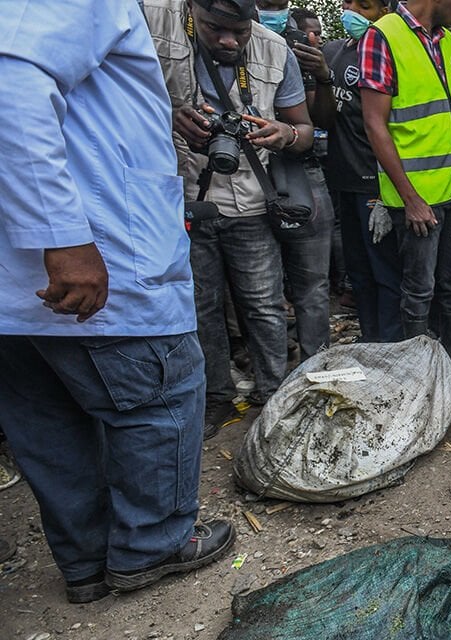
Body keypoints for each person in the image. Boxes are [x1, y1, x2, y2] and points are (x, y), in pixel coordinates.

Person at [0, 0, 235, 603]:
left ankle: (84, 562)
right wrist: (64, 239)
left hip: (20, 282)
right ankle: (151, 546)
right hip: (96, 256)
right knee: (157, 396)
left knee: (49, 419)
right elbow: (14, 83)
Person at [145, 0, 315, 436]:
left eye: (238, 32)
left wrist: (285, 134)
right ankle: (214, 399)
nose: (227, 40)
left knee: (264, 306)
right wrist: (168, 116)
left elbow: (305, 131)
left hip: (252, 201)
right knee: (199, 309)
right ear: (191, 12)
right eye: (213, 28)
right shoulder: (150, 21)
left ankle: (276, 393)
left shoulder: (275, 49)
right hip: (180, 198)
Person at [360, 0, 451, 386]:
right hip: (419, 197)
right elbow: (374, 124)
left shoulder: (448, 42)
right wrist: (411, 198)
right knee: (419, 289)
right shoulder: (382, 35)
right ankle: (415, 377)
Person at [255, 2, 335, 367]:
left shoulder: (299, 41)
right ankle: (270, 374)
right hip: (245, 176)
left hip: (303, 170)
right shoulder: (232, 33)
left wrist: (322, 76)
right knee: (259, 291)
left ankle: (314, 366)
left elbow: (319, 121)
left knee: (313, 284)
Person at [319, 0, 402, 343]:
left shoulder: (388, 54)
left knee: (385, 271)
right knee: (358, 272)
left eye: (364, 6)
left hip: (375, 182)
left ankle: (391, 345)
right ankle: (370, 340)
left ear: (384, 12)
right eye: (348, 2)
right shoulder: (332, 52)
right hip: (342, 181)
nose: (351, 11)